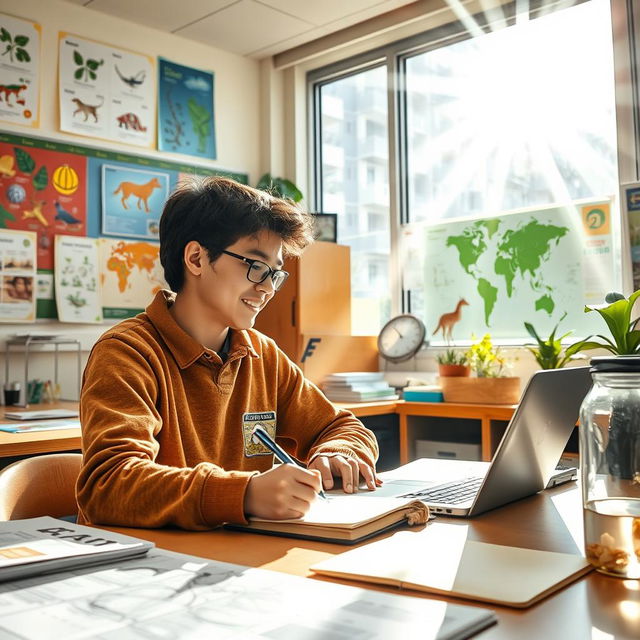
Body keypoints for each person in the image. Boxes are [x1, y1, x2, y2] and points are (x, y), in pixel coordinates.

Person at [77, 177, 379, 530]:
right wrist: (244, 493)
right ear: (196, 258)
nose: (267, 288)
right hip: (140, 567)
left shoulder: (260, 353)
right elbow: (109, 485)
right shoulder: (127, 353)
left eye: (275, 274)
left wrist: (338, 452)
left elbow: (342, 426)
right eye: (254, 266)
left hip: (233, 560)